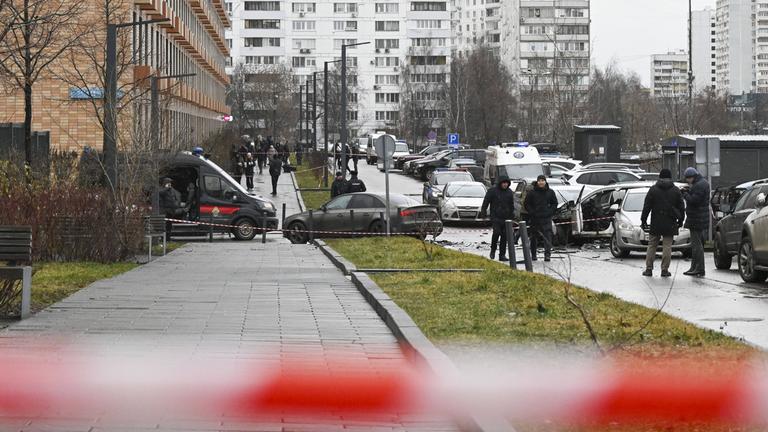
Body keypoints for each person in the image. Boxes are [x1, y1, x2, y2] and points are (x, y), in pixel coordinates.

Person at [640, 169, 685, 277]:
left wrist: (643, 220)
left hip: (656, 221)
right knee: (667, 247)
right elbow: (681, 207)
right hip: (670, 221)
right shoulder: (675, 190)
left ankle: (649, 269)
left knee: (652, 245)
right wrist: (681, 220)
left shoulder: (653, 190)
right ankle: (664, 270)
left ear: (659, 177)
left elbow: (647, 206)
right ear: (670, 177)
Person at [682, 167, 711, 277]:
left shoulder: (699, 185)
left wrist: (685, 195)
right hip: (699, 218)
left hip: (697, 219)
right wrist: (689, 191)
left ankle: (699, 268)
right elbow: (697, 197)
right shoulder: (701, 183)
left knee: (697, 245)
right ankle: (694, 267)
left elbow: (694, 200)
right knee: (696, 245)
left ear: (692, 177)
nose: (687, 181)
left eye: (687, 179)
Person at [479, 175, 516, 262]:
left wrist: (512, 215)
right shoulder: (492, 191)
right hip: (495, 216)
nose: (505, 185)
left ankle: (502, 255)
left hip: (506, 218)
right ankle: (493, 250)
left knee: (504, 236)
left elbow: (511, 205)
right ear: (500, 183)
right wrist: (483, 213)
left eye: (506, 183)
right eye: (503, 183)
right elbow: (486, 202)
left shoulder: (509, 192)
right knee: (496, 233)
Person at [524, 175, 558, 262]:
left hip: (546, 218)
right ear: (537, 182)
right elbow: (527, 204)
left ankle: (547, 255)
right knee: (533, 238)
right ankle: (534, 255)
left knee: (547, 237)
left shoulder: (550, 192)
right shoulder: (532, 192)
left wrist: (550, 212)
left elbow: (554, 203)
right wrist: (532, 212)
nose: (541, 182)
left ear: (545, 182)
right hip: (535, 218)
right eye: (539, 181)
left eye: (543, 180)